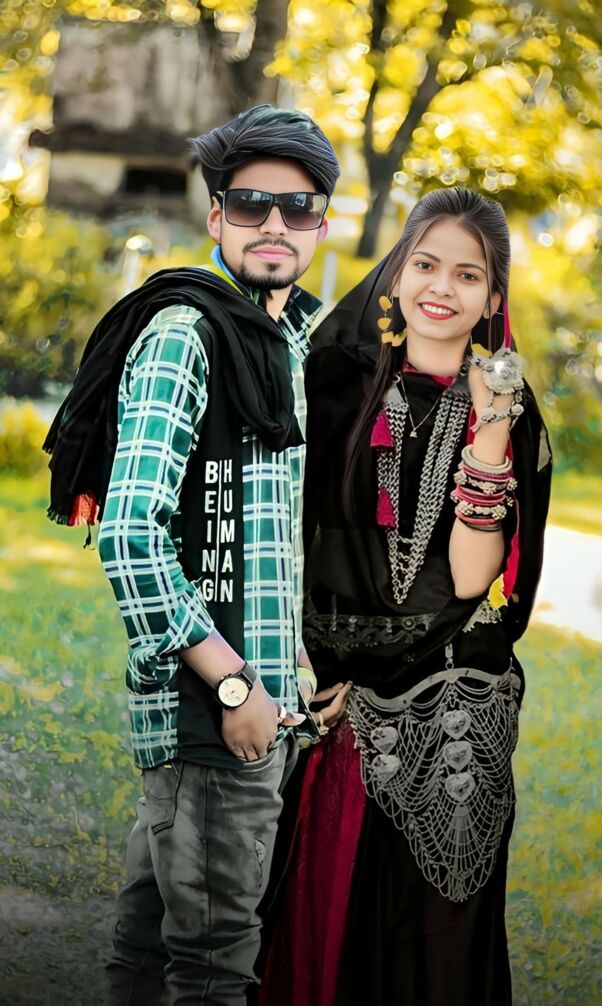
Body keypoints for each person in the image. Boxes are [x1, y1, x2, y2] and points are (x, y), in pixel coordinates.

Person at [43, 104, 339, 1005]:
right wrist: (236, 685)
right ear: (216, 215)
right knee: (214, 971)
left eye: (298, 207)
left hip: (252, 703)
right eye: (251, 204)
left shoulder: (284, 337)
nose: (275, 224)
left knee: (148, 949)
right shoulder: (188, 332)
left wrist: (294, 664)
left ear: (323, 224)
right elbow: (131, 532)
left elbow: (269, 527)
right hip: (212, 712)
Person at [259, 187, 552, 1006]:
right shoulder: (333, 386)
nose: (441, 288)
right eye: (426, 264)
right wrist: (309, 665)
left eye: (468, 275)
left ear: (492, 298)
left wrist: (490, 429)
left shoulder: (507, 410)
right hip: (337, 705)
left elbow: (470, 580)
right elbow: (288, 537)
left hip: (449, 713)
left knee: (427, 948)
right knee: (330, 927)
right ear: (395, 273)